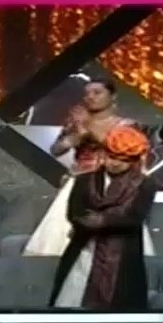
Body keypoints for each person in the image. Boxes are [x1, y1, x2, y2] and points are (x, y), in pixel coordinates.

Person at [24, 78, 151, 256]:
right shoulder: (76, 122)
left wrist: (88, 127)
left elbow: (119, 148)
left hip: (112, 185)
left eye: (97, 93)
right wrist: (75, 137)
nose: (90, 97)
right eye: (87, 94)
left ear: (113, 96)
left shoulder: (127, 125)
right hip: (79, 183)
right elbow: (56, 149)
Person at [51, 125, 158, 310]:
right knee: (71, 299)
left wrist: (103, 221)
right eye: (112, 156)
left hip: (121, 253)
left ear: (133, 160)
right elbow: (74, 212)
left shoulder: (144, 184)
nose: (115, 163)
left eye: (123, 159)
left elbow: (135, 217)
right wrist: (86, 222)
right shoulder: (84, 180)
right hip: (84, 248)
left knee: (116, 304)